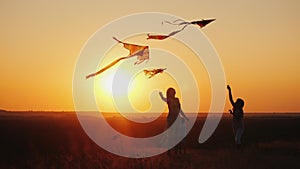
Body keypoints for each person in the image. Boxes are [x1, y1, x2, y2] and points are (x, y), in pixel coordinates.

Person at [159, 88, 188, 155]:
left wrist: (185, 117)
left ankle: (177, 150)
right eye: (170, 92)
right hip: (171, 119)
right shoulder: (168, 100)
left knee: (178, 135)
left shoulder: (177, 99)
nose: (171, 93)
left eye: (172, 92)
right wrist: (161, 95)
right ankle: (169, 151)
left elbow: (180, 110)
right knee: (171, 135)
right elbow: (163, 99)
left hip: (177, 118)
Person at [227, 85, 245, 149]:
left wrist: (232, 113)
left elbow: (238, 117)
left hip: (240, 127)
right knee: (236, 139)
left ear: (241, 104)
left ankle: (240, 150)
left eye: (238, 102)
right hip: (235, 126)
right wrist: (229, 90)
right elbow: (230, 99)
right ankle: (239, 151)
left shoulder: (241, 111)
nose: (236, 103)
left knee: (237, 139)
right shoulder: (235, 108)